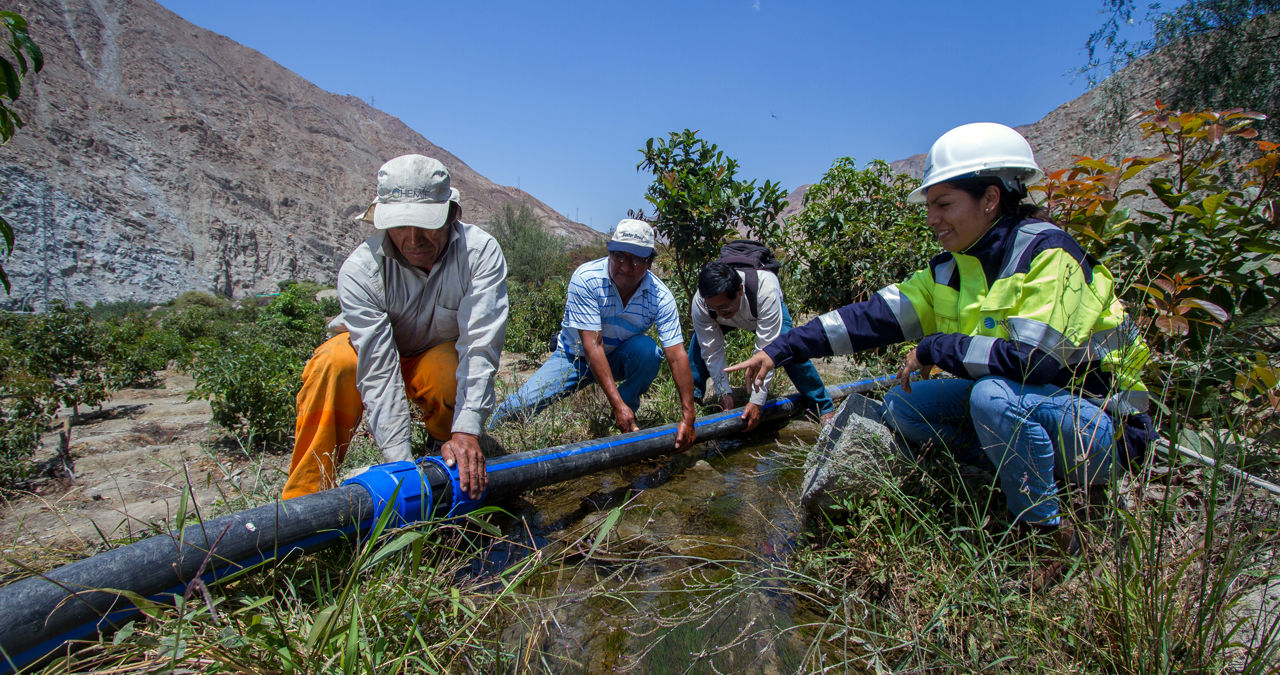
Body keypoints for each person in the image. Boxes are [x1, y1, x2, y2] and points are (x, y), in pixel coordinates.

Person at [728, 122, 1153, 544]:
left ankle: (1044, 531)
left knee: (991, 397)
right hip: (1026, 412)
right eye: (930, 206)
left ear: (990, 198)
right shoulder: (951, 268)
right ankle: (1008, 468)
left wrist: (935, 347)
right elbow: (868, 318)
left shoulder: (1048, 253)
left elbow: (1034, 362)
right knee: (902, 405)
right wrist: (779, 349)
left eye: (944, 204)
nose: (932, 219)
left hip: (1102, 430)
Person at [282, 154, 508, 501]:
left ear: (452, 215)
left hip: (432, 356)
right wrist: (401, 468)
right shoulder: (361, 270)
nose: (413, 239)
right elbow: (378, 370)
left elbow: (479, 345)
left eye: (426, 224)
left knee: (448, 370)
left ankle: (446, 445)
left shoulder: (479, 254)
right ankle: (305, 498)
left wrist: (467, 430)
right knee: (333, 365)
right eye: (401, 225)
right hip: (370, 354)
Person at [489, 219, 696, 451]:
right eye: (619, 256)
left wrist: (689, 417)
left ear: (649, 262)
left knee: (648, 351)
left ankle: (624, 414)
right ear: (609, 253)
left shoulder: (660, 296)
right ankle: (488, 437)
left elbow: (677, 355)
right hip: (573, 357)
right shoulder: (587, 279)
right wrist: (616, 403)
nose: (626, 267)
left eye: (637, 259)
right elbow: (592, 345)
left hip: (618, 355)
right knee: (519, 407)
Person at [690, 260, 835, 430]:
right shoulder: (702, 303)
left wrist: (757, 402)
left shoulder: (766, 289)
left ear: (740, 291)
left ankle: (822, 404)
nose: (720, 313)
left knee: (789, 347)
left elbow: (766, 353)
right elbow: (711, 350)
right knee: (698, 348)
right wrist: (724, 392)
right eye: (714, 308)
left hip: (764, 314)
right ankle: (693, 400)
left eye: (724, 307)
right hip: (736, 312)